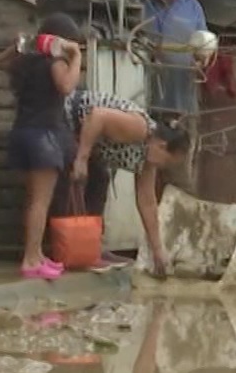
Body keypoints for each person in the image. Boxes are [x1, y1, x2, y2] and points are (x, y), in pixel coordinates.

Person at [64, 90, 193, 276]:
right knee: (81, 180)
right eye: (165, 162)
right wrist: (81, 158)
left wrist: (158, 250)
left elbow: (147, 203)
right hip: (68, 119)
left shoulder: (148, 160)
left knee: (99, 182)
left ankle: (91, 249)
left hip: (90, 146)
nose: (160, 167)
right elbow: (97, 116)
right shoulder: (140, 129)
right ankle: (65, 251)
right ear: (161, 146)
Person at [0, 12, 84, 280]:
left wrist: (18, 46)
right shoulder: (55, 62)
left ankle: (36, 256)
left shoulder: (24, 61)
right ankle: (30, 259)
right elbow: (67, 86)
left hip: (22, 133)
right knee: (40, 201)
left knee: (33, 200)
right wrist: (77, 57)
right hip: (43, 137)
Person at [141, 0, 208, 117]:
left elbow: (204, 47)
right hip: (142, 99)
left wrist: (201, 60)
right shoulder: (139, 4)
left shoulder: (193, 8)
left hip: (182, 101)